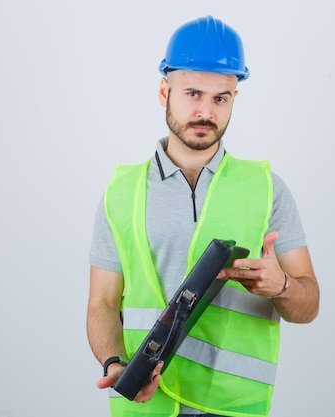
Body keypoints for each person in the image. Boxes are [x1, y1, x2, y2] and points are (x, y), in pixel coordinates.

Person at [87, 15, 320, 417]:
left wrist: (281, 285)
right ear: (165, 91)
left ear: (234, 98)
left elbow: (309, 304)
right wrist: (115, 364)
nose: (205, 111)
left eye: (220, 97)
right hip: (147, 404)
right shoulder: (121, 193)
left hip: (232, 406)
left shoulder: (267, 188)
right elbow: (102, 304)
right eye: (192, 93)